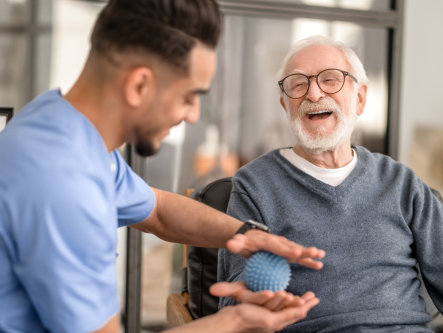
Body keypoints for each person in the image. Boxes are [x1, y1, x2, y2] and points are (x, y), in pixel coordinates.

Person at [0, 2, 329, 332]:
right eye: (189, 96)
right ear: (139, 85)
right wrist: (235, 321)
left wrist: (245, 235)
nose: (194, 115)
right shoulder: (63, 183)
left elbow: (158, 211)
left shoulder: (63, 129)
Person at [218, 35, 443, 332]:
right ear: (285, 104)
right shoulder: (255, 185)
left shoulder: (401, 183)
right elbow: (236, 301)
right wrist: (258, 299)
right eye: (298, 84)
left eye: (330, 79)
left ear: (360, 98)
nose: (313, 93)